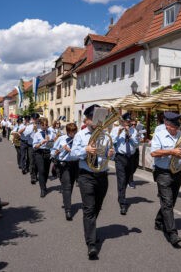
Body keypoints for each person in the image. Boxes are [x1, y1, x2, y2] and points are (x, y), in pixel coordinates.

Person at [70, 104, 115, 259]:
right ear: (87, 120)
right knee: (89, 209)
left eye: (100, 119)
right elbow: (73, 155)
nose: (98, 122)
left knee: (97, 207)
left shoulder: (104, 134)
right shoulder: (80, 135)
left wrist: (111, 153)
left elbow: (109, 156)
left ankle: (91, 230)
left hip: (102, 175)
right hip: (86, 175)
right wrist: (85, 150)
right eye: (95, 119)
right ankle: (91, 244)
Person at [150, 111, 181, 247]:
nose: (177, 129)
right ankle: (172, 233)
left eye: (177, 126)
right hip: (162, 172)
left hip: (176, 172)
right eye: (174, 126)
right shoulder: (159, 135)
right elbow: (154, 153)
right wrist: (171, 151)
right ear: (167, 124)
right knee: (168, 203)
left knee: (170, 202)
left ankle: (159, 221)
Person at [111, 112, 139, 215]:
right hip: (120, 157)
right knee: (121, 180)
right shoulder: (115, 130)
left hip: (130, 157)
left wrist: (129, 135)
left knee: (127, 179)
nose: (128, 124)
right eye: (126, 122)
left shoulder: (134, 130)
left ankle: (121, 195)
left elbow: (136, 144)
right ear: (122, 121)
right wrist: (118, 134)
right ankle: (122, 203)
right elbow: (111, 142)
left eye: (129, 122)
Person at [51, 123, 78, 220]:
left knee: (70, 185)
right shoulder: (61, 139)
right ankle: (68, 210)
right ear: (67, 131)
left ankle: (66, 200)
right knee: (67, 186)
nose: (73, 134)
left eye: (75, 132)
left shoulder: (78, 139)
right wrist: (56, 152)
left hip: (75, 164)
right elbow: (53, 151)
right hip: (64, 165)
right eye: (71, 132)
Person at [32, 118, 55, 198]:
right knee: (41, 171)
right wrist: (42, 143)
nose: (45, 127)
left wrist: (50, 141)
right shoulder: (37, 134)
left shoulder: (51, 133)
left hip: (48, 153)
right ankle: (42, 189)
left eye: (46, 125)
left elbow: (52, 145)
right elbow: (34, 146)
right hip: (39, 153)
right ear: (40, 125)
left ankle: (44, 184)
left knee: (46, 171)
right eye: (43, 125)